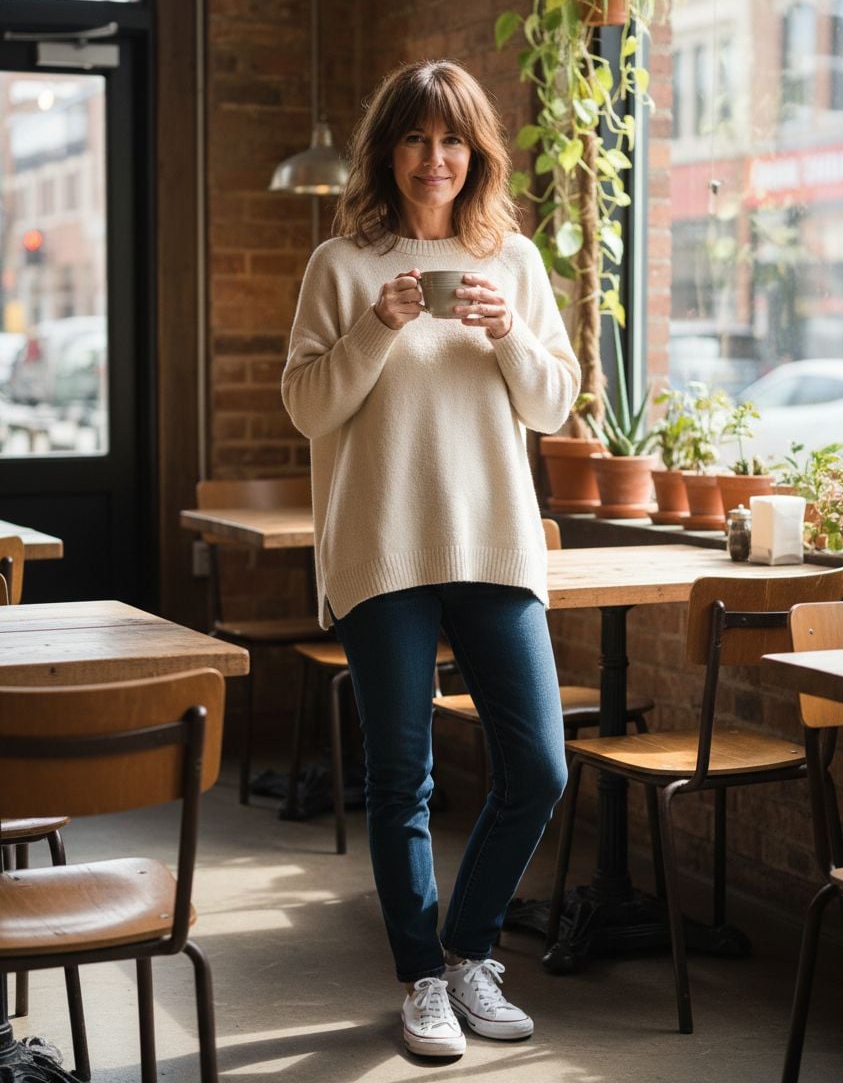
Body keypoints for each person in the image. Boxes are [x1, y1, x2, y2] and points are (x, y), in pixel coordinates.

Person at [281, 59, 580, 1059]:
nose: (434, 157)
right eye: (415, 137)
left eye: (452, 139)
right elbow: (307, 407)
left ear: (475, 153)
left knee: (536, 766)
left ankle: (467, 953)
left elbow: (551, 405)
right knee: (401, 780)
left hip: (493, 544)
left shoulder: (517, 264)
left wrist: (504, 337)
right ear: (388, 151)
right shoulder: (341, 264)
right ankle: (419, 979)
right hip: (381, 550)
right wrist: (380, 322)